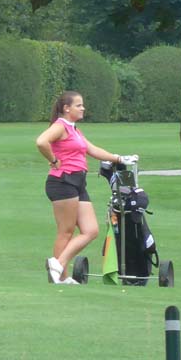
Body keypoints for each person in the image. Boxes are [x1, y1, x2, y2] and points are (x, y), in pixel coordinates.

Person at [36, 91, 136, 284]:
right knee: (66, 231)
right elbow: (41, 142)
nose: (83, 108)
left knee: (91, 230)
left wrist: (119, 158)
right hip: (63, 182)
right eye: (78, 105)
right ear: (67, 108)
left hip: (78, 183)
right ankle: (61, 276)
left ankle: (57, 264)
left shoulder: (74, 129)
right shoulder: (60, 126)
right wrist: (54, 160)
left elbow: (92, 150)